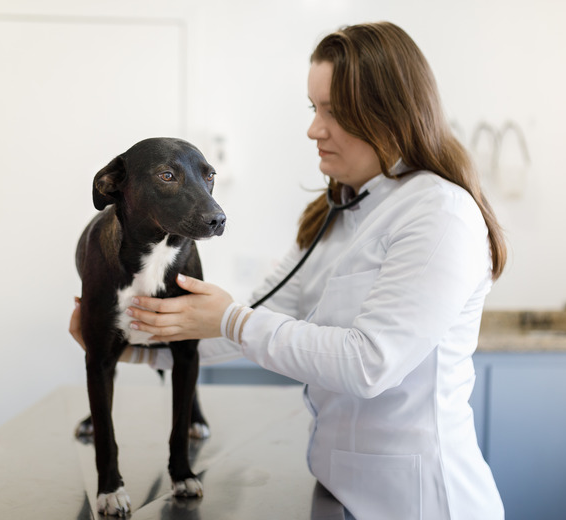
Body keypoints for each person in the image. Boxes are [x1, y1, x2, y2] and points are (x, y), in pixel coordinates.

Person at [70, 21, 506, 519]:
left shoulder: (439, 214)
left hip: (419, 502)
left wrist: (230, 317)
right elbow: (259, 314)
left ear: (389, 115)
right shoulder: (338, 211)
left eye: (333, 113)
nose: (314, 129)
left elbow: (369, 364)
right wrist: (131, 347)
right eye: (313, 108)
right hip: (339, 491)